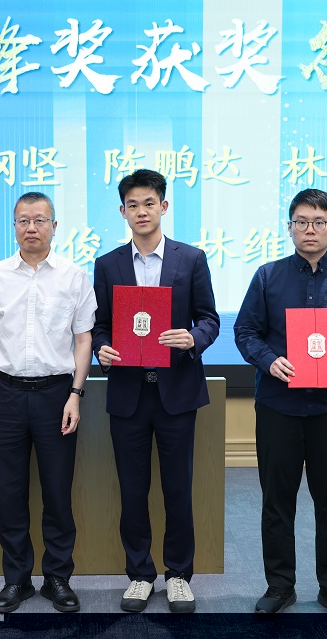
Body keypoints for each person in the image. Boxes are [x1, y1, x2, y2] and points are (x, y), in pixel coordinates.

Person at [234, 188, 327, 615]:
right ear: (289, 227)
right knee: (276, 501)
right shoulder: (267, 276)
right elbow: (245, 332)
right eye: (301, 222)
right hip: (279, 406)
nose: (310, 230)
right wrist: (269, 360)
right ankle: (280, 586)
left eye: (319, 222)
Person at [91, 169, 219, 613]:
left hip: (176, 393)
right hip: (128, 392)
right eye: (133, 205)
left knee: (178, 488)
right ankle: (140, 574)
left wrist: (193, 338)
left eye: (149, 203)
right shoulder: (108, 264)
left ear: (163, 206)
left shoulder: (191, 259)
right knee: (132, 490)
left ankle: (179, 574)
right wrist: (103, 348)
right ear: (122, 211)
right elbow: (100, 325)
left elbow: (209, 319)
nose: (141, 211)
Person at [0, 192, 96, 614]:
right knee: (10, 492)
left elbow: (83, 340)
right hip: (4, 394)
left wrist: (76, 394)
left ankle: (58, 577)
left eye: (40, 220)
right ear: (14, 227)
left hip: (57, 395)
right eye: (23, 220)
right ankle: (17, 580)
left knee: (57, 492)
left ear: (54, 226)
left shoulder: (74, 277)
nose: (32, 228)